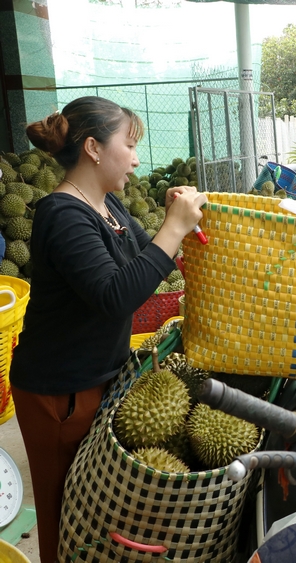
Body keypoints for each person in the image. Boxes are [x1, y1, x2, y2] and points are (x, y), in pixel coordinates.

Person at [9, 96, 207, 563]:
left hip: (100, 378)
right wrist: (172, 230)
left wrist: (171, 221)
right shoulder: (61, 213)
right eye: (130, 144)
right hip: (58, 391)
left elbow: (149, 264)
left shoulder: (109, 205)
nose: (137, 158)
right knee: (63, 513)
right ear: (94, 148)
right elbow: (116, 295)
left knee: (92, 507)